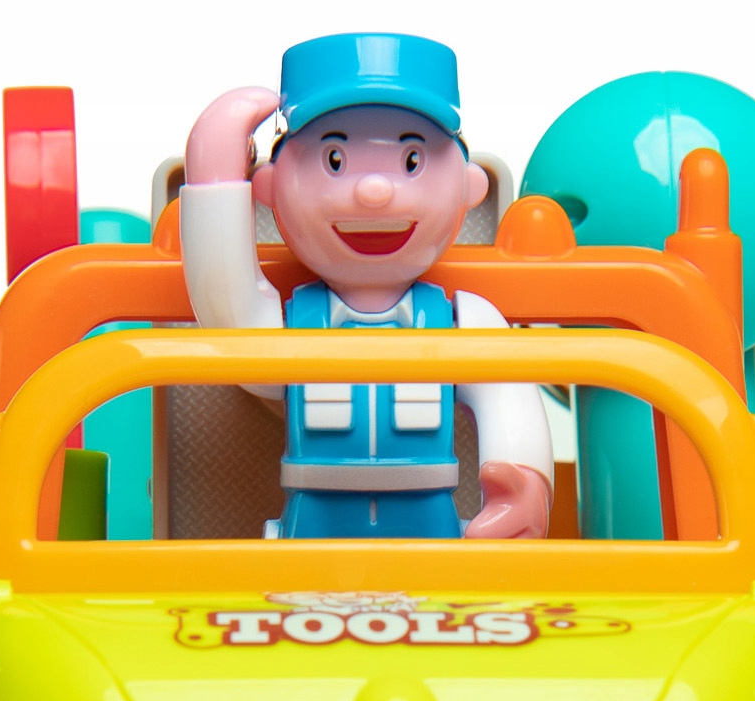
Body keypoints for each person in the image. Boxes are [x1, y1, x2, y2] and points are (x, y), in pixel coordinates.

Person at [180, 32, 552, 540]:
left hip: (429, 527)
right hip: (314, 525)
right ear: (270, 185)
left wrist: (522, 488)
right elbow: (230, 321)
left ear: (469, 184)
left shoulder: (463, 320)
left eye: (412, 161)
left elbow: (510, 401)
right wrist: (215, 175)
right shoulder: (293, 324)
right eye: (334, 160)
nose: (373, 191)